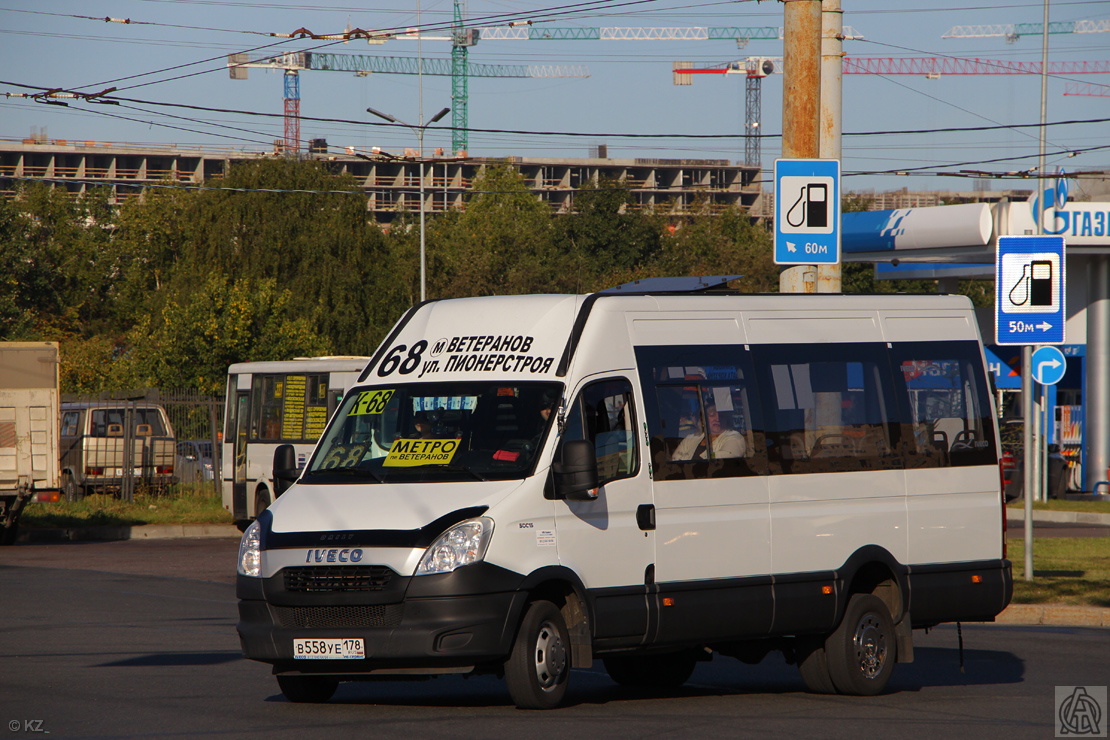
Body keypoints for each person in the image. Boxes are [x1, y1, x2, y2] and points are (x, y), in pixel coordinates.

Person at [672, 403, 746, 461]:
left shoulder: (735, 437)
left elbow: (724, 459)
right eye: (712, 415)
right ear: (703, 420)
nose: (717, 419)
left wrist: (689, 458)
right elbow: (675, 459)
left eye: (721, 415)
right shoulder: (691, 438)